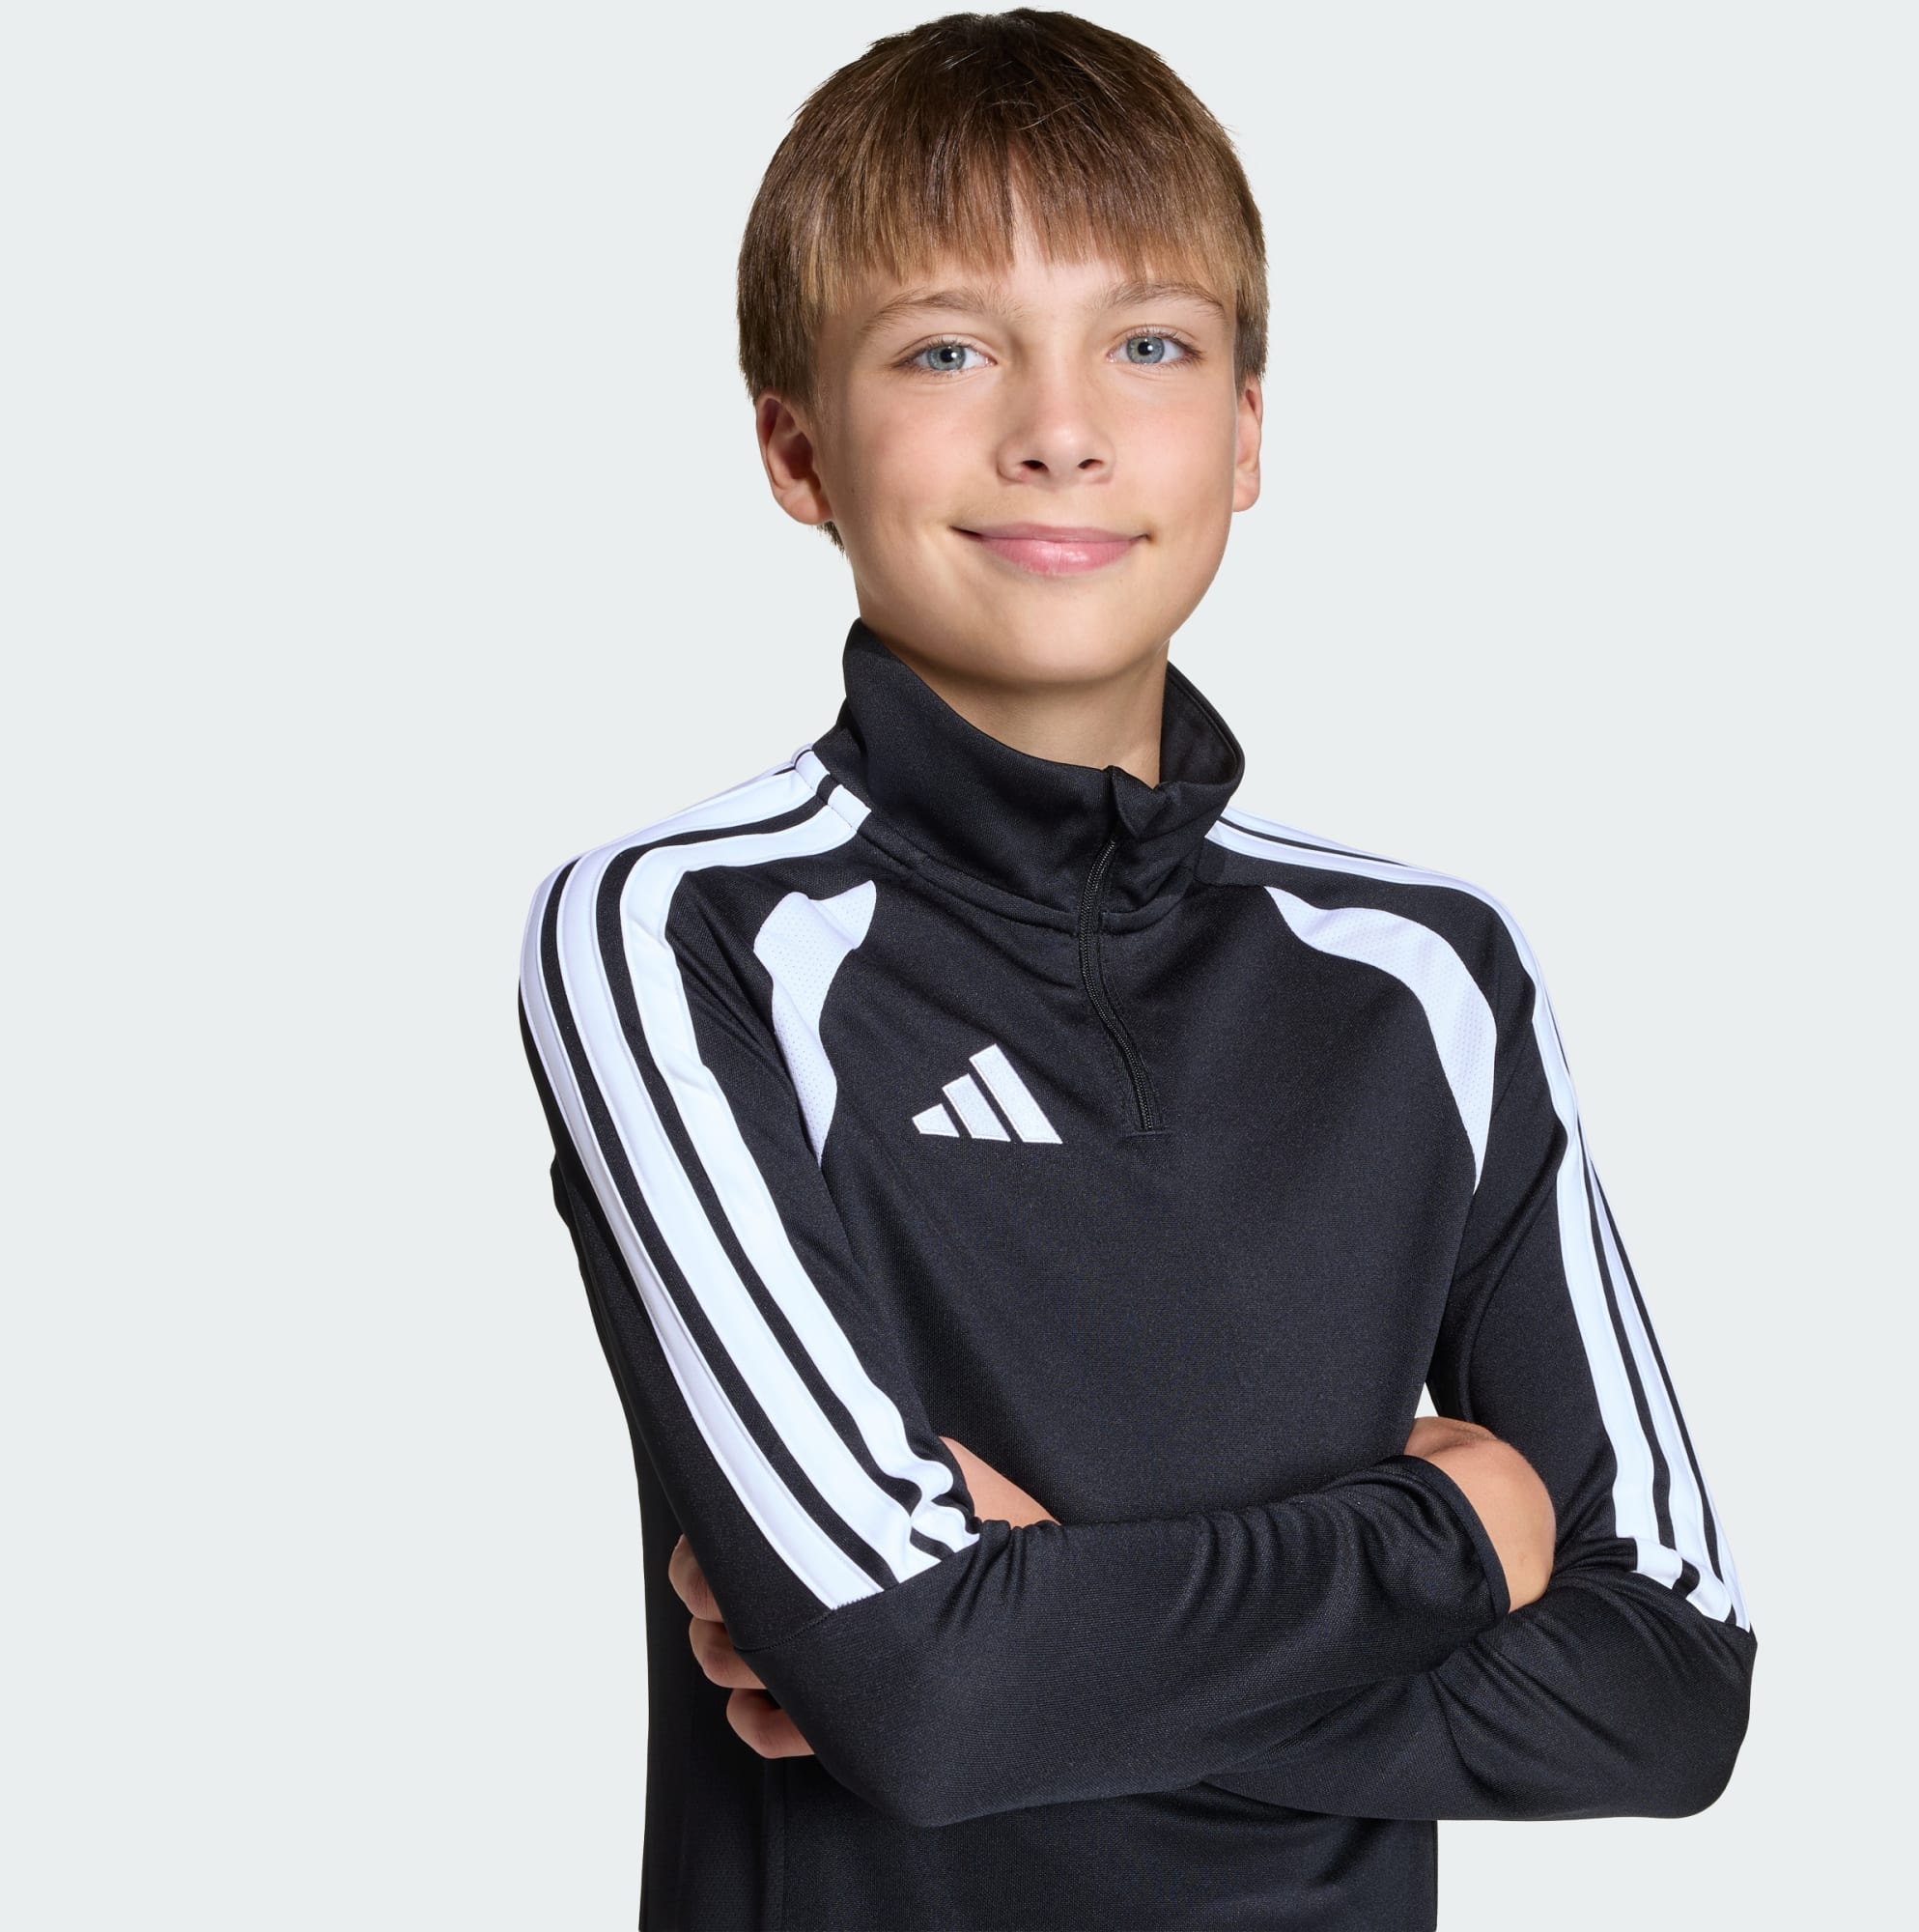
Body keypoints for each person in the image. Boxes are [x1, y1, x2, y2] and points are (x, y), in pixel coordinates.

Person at [516, 11, 1757, 1927]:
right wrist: (1453, 1522)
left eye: (1150, 345)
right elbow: (925, 1694)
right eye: (946, 349)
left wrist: (1035, 1649)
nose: (1060, 427)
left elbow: (1666, 1689)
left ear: (1246, 435)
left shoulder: (1427, 972)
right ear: (796, 447)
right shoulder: (680, 931)